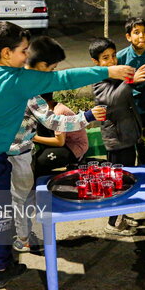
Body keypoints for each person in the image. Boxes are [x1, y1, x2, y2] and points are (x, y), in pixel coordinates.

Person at [0, 22, 132, 289]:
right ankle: (1, 269)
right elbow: (66, 78)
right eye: (23, 51)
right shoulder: (19, 79)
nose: (27, 56)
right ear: (6, 53)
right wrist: (108, 70)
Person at [7, 36, 100, 253]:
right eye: (53, 69)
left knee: (17, 193)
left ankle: (21, 232)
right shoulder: (30, 90)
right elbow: (54, 122)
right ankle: (24, 238)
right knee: (20, 196)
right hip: (15, 152)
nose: (53, 75)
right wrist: (87, 115)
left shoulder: (7, 77)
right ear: (41, 66)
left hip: (0, 149)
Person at [89, 37, 145, 235]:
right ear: (96, 62)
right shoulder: (98, 78)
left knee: (126, 179)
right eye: (105, 58)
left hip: (126, 135)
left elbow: (139, 73)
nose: (111, 61)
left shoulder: (117, 72)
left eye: (112, 56)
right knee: (117, 181)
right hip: (117, 140)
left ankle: (122, 215)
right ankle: (113, 223)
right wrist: (129, 82)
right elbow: (112, 101)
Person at [115, 17, 145, 165]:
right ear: (128, 36)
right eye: (136, 32)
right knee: (126, 150)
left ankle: (144, 176)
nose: (141, 36)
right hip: (126, 111)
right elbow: (114, 84)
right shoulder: (120, 57)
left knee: (144, 148)